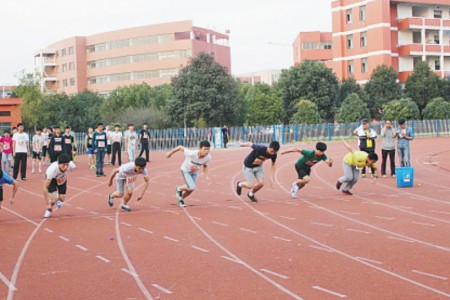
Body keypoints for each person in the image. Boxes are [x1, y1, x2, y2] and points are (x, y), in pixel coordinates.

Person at [166, 140, 212, 208]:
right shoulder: (191, 153)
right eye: (204, 149)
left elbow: (205, 166)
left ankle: (180, 199)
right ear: (200, 148)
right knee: (192, 186)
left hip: (194, 172)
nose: (206, 151)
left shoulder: (208, 157)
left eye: (208, 149)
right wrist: (170, 153)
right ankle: (178, 188)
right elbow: (180, 147)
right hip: (185, 170)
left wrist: (206, 176)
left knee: (191, 189)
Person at [43, 154, 76, 218]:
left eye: (67, 165)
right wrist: (48, 203)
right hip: (52, 179)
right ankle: (49, 210)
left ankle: (57, 199)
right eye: (63, 165)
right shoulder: (51, 170)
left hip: (62, 179)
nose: (66, 167)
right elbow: (45, 188)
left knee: (62, 198)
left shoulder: (71, 165)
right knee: (53, 199)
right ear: (58, 164)